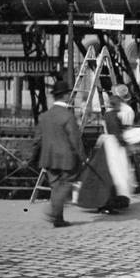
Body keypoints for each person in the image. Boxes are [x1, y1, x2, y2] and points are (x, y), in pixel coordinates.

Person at [32, 79, 86, 228]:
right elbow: (75, 139)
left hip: (48, 158)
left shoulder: (44, 116)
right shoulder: (67, 116)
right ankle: (53, 212)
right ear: (66, 95)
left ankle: (59, 219)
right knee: (67, 183)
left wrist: (32, 158)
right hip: (66, 158)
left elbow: (37, 140)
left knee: (56, 186)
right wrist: (83, 157)